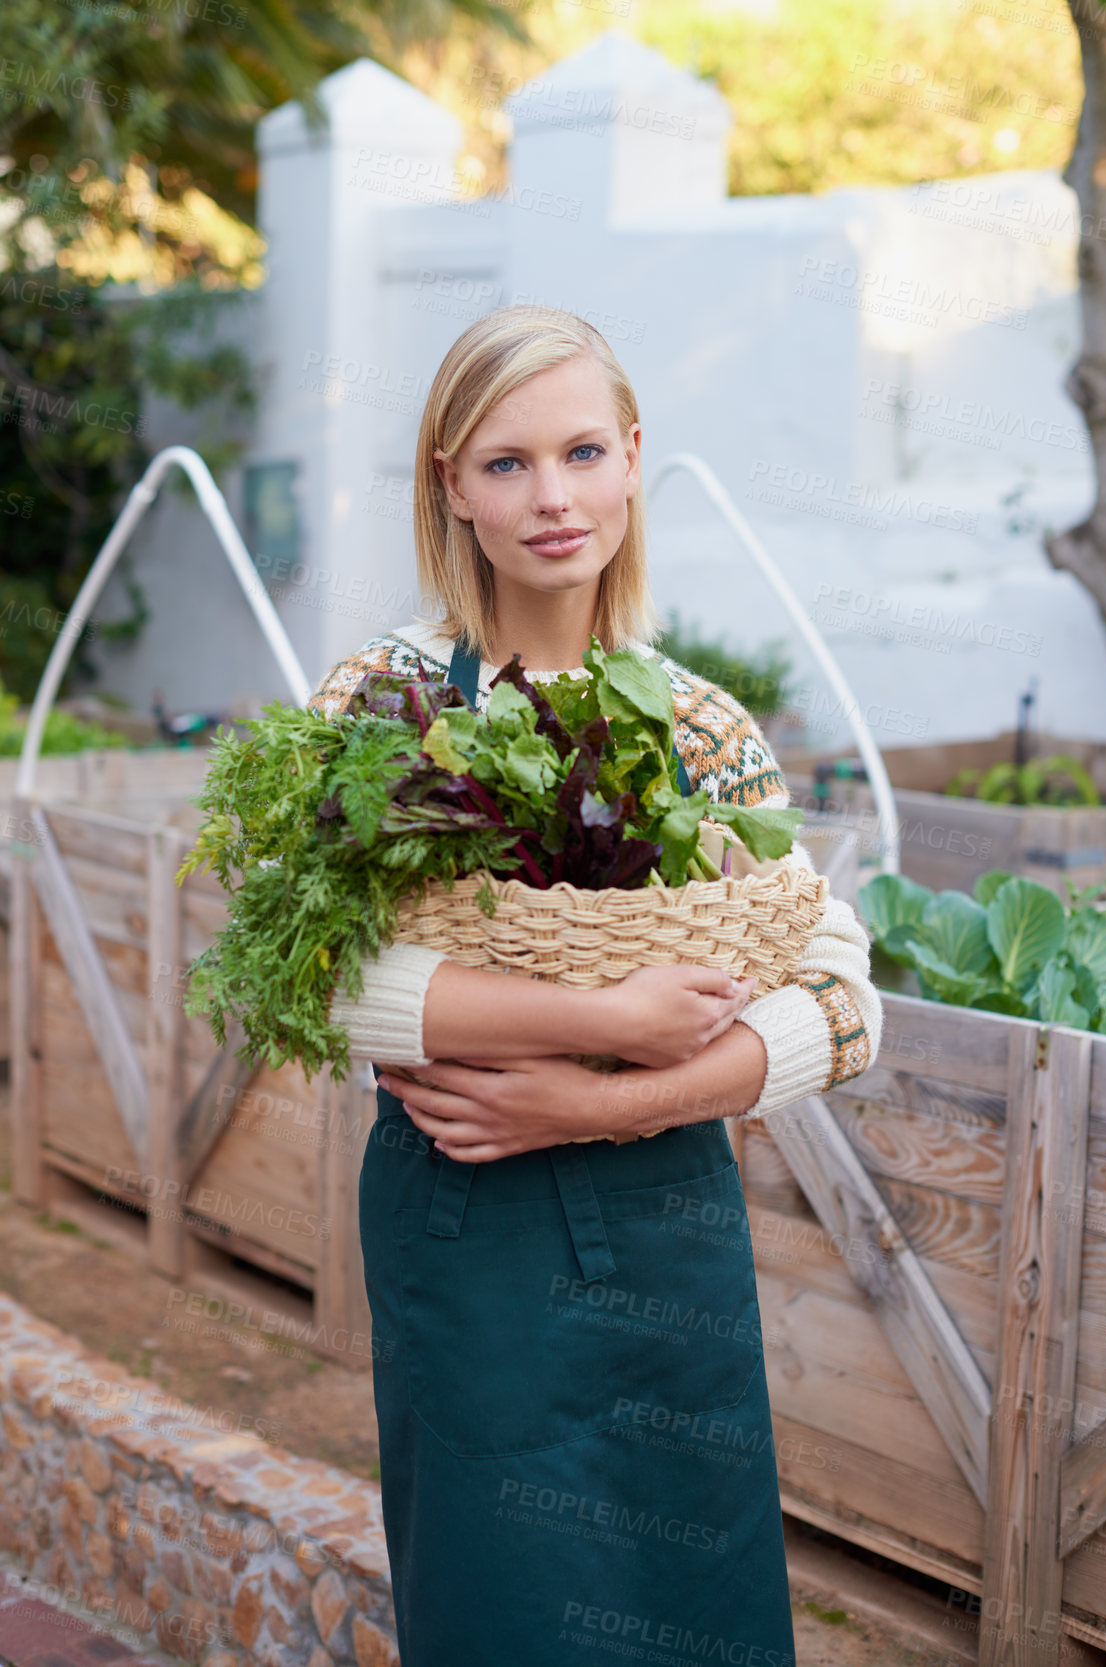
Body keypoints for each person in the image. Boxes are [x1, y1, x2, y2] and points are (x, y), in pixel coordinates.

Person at [307, 304, 881, 1667]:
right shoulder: (385, 700)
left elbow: (845, 1003)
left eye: (579, 452)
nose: (550, 497)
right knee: (498, 1607)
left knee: (704, 1615)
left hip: (667, 1218)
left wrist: (610, 1101)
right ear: (450, 484)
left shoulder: (704, 730)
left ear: (632, 458)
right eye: (505, 463)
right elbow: (330, 982)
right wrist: (604, 1021)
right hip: (468, 1219)